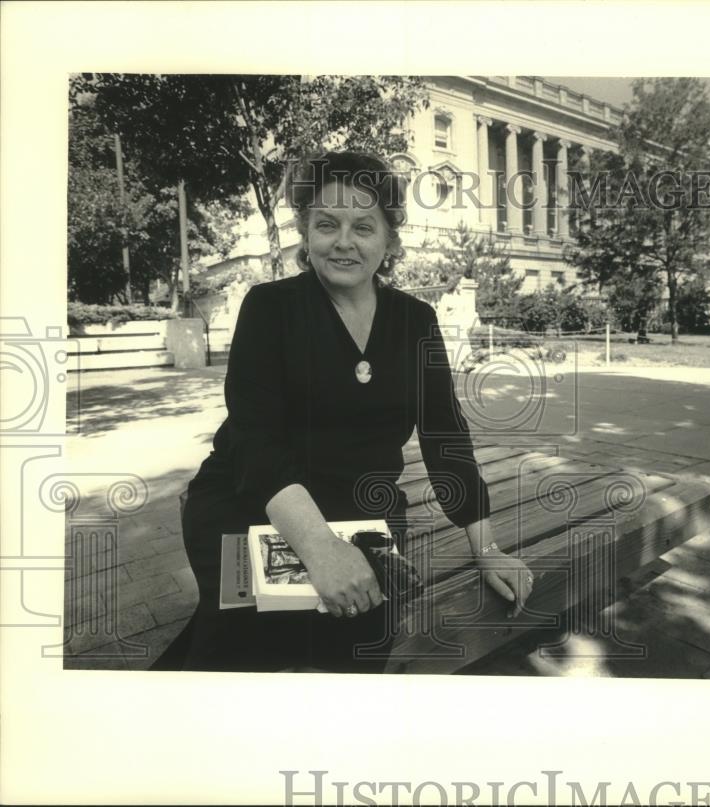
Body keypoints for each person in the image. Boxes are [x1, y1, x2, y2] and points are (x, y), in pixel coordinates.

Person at [155, 151, 533, 672]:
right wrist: (319, 548)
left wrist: (487, 548)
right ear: (306, 235)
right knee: (245, 646)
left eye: (364, 226)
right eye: (326, 224)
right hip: (255, 501)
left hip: (361, 513)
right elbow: (255, 438)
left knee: (360, 644)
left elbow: (445, 439)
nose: (344, 241)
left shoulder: (415, 320)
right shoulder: (270, 307)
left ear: (390, 240)